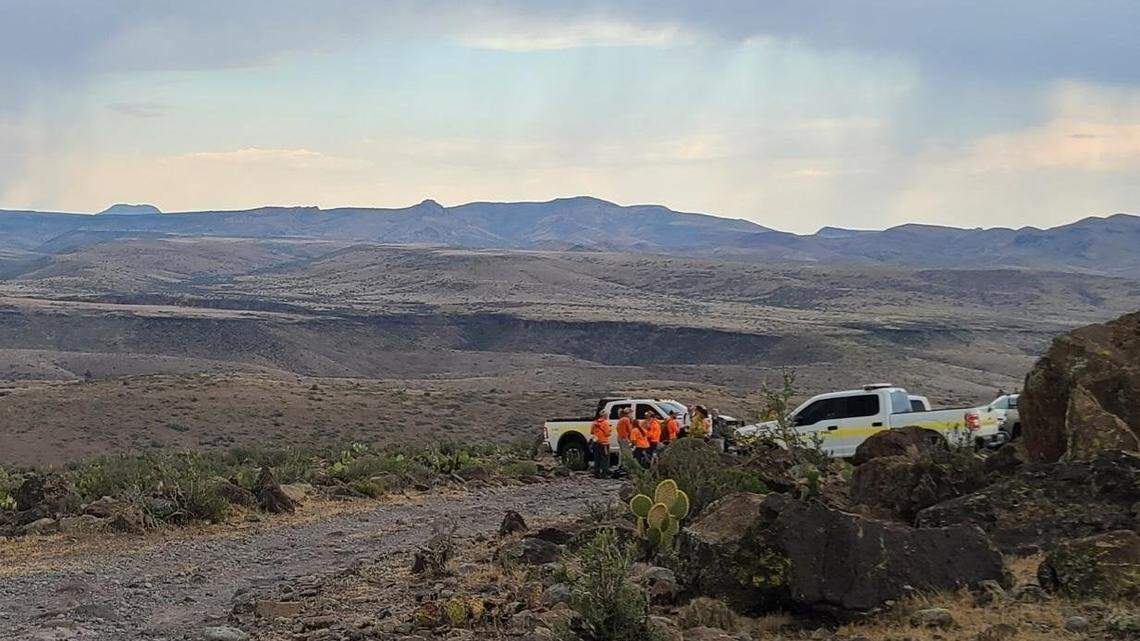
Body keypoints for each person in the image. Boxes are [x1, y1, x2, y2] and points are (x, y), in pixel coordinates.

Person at [589, 410, 611, 478]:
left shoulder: (594, 423)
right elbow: (607, 434)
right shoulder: (606, 423)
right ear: (604, 416)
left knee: (597, 458)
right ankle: (604, 474)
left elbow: (591, 432)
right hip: (604, 443)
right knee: (605, 458)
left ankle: (596, 473)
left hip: (596, 442)